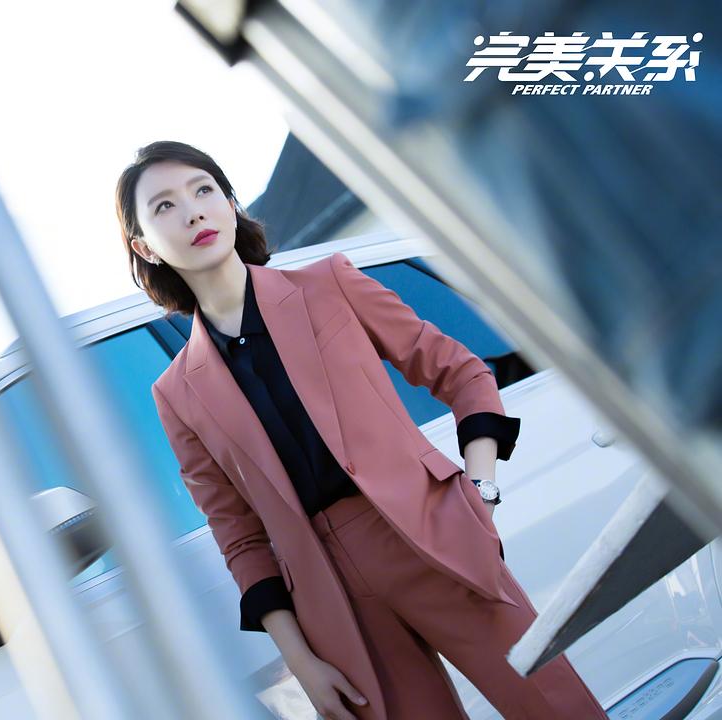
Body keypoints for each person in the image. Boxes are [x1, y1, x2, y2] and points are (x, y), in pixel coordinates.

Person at [115, 140, 609, 719]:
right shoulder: (175, 393)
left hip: (434, 533)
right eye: (165, 206)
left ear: (230, 203)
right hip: (332, 600)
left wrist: (481, 492)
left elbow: (460, 371)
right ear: (144, 246)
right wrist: (302, 660)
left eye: (203, 191)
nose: (193, 212)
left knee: (553, 706)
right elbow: (239, 535)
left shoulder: (328, 283)